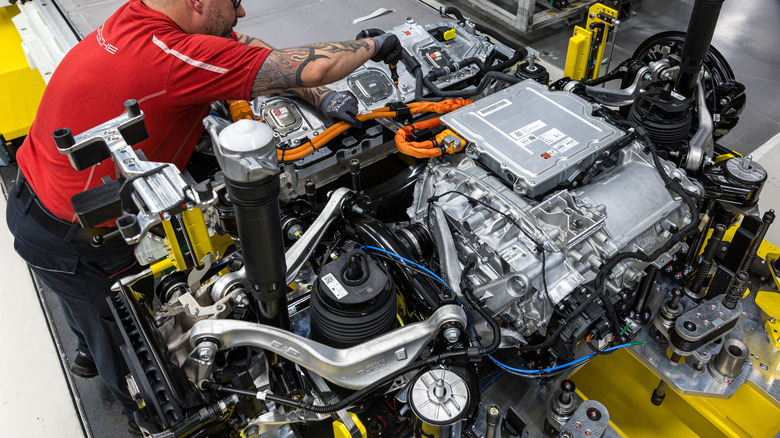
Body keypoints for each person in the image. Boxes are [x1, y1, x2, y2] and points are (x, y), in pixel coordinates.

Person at [5, 0, 402, 434]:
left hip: (39, 191)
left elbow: (247, 46)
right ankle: (154, 421)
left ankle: (86, 346)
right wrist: (374, 43)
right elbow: (311, 68)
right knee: (133, 352)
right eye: (234, 2)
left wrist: (323, 98)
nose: (243, 11)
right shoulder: (171, 59)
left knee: (86, 313)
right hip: (73, 238)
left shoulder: (142, 17)